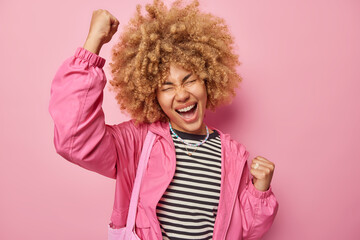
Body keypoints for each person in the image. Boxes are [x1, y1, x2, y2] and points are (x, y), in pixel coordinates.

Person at [48, 0, 279, 239]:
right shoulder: (137, 143)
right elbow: (74, 140)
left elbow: (246, 232)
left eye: (190, 80)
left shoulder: (232, 155)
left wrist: (259, 192)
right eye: (167, 86)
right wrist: (92, 45)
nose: (181, 94)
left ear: (208, 80)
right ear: (153, 96)